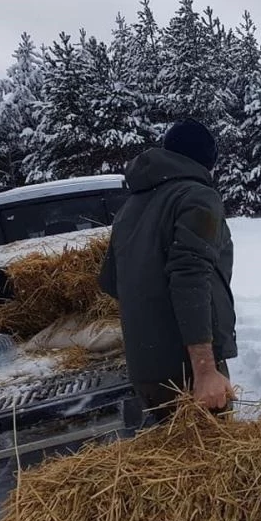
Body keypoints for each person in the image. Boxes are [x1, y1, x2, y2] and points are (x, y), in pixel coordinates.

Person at [99, 118, 237, 422]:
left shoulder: (130, 207)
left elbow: (110, 281)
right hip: (187, 371)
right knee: (215, 462)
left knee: (178, 466)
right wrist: (205, 370)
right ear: (207, 160)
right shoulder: (198, 196)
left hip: (146, 369)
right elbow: (190, 276)